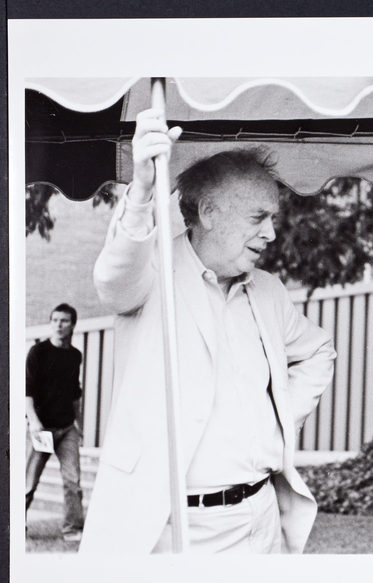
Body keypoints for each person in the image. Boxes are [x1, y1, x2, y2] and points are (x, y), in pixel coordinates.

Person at [80, 109, 336, 554]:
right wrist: (142, 190)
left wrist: (282, 420)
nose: (271, 233)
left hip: (261, 521)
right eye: (258, 217)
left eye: (272, 218)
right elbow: (113, 279)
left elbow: (319, 351)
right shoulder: (151, 272)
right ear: (209, 212)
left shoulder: (269, 291)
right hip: (177, 529)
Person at [25, 303, 85, 542]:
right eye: (55, 320)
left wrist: (79, 424)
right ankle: (15, 524)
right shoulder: (38, 352)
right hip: (42, 427)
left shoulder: (75, 356)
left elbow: (75, 393)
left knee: (73, 481)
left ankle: (72, 528)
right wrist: (33, 421)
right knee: (29, 481)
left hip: (67, 428)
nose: (59, 325)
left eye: (64, 321)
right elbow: (27, 391)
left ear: (73, 325)